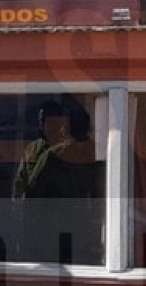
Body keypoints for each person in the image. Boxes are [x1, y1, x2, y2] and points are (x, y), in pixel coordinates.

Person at [12, 98, 100, 264]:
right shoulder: (33, 150)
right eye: (44, 121)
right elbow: (22, 185)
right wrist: (21, 213)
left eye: (53, 121)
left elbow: (35, 188)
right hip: (42, 223)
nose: (47, 125)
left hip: (71, 220)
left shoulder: (57, 153)